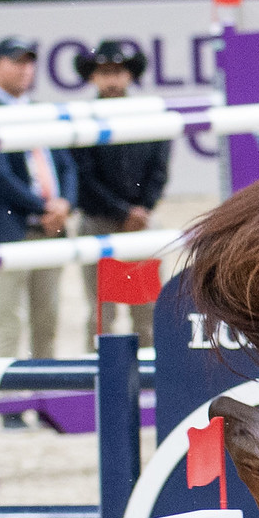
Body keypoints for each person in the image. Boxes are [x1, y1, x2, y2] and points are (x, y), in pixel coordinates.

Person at [0, 38, 77, 424]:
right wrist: (45, 206)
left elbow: (66, 161)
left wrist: (64, 202)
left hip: (49, 229)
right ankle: (10, 404)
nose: (25, 69)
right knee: (8, 319)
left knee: (46, 318)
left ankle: (45, 398)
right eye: (16, 62)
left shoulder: (41, 110)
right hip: (8, 229)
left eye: (29, 63)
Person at [70, 41, 170, 348]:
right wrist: (128, 211)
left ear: (129, 76)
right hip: (101, 220)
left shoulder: (148, 114)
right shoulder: (82, 118)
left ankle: (149, 381)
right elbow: (82, 176)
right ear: (93, 78)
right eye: (105, 73)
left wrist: (142, 208)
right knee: (102, 313)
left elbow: (159, 168)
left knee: (146, 309)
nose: (112, 80)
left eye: (118, 72)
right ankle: (99, 384)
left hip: (138, 220)